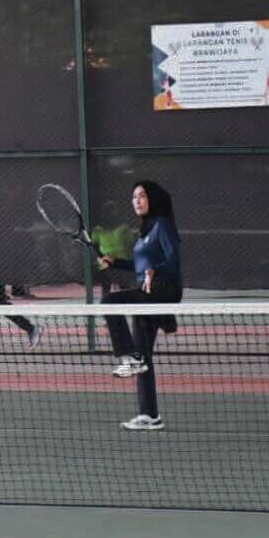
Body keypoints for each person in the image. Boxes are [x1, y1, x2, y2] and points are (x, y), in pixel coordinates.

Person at [97, 181, 182, 432]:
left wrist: (155, 271)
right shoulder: (145, 230)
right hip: (147, 293)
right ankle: (149, 415)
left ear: (153, 199)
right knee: (144, 356)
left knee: (109, 302)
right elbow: (139, 266)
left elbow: (173, 262)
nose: (136, 200)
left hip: (163, 291)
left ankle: (129, 356)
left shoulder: (162, 225)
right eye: (134, 197)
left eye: (142, 196)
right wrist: (115, 263)